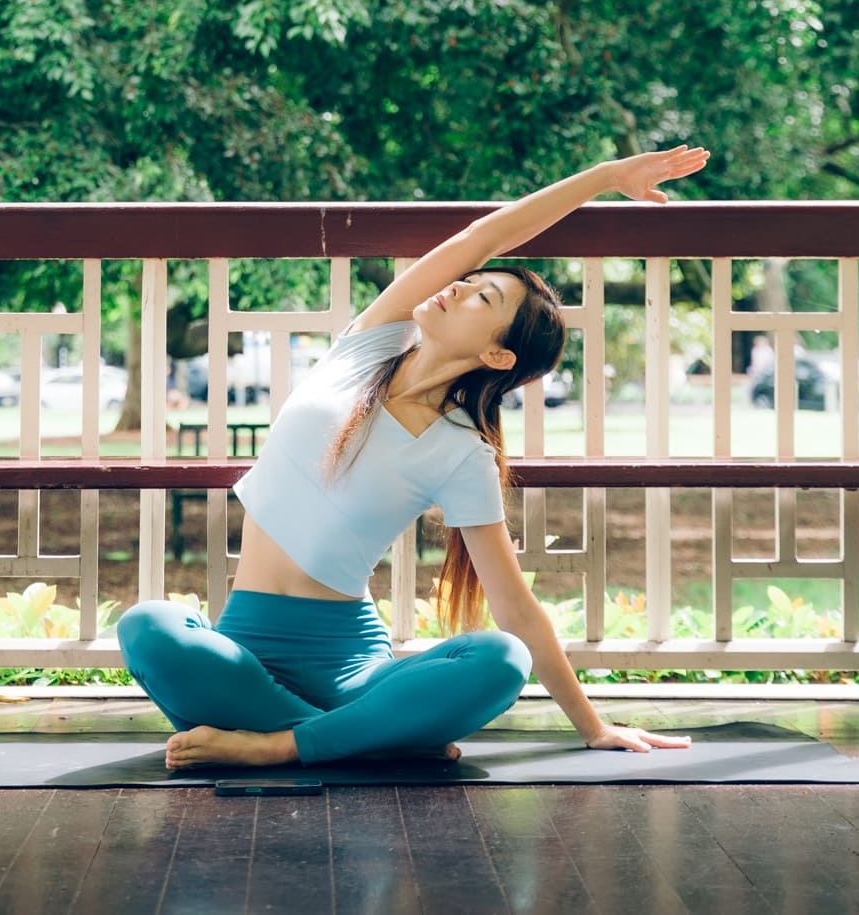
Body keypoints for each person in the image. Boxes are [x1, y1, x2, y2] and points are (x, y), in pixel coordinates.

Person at [118, 144, 710, 769]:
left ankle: (281, 745)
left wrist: (592, 726)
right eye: (472, 282)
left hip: (352, 671)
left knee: (500, 659)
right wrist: (606, 177)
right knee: (149, 627)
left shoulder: (462, 452)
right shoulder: (368, 348)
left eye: (483, 299)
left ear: (498, 357)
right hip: (242, 653)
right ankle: (359, 739)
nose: (459, 288)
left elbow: (514, 609)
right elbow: (485, 235)